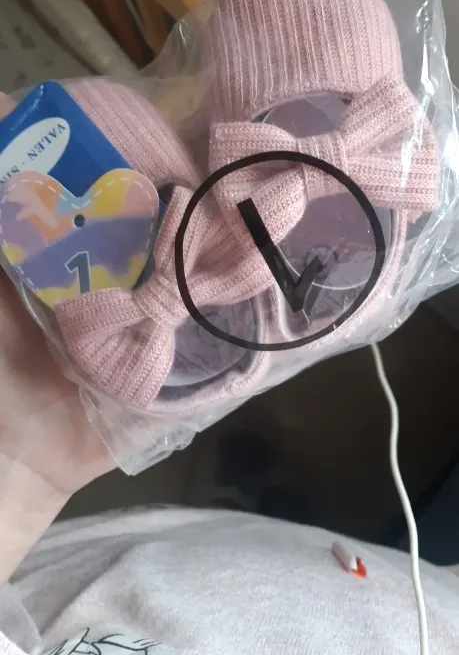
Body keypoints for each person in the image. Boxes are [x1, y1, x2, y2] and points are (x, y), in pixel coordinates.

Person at [0, 273, 458, 655]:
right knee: (293, 551)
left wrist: (19, 477)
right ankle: (251, 513)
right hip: (415, 597)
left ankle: (239, 504)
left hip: (81, 582)